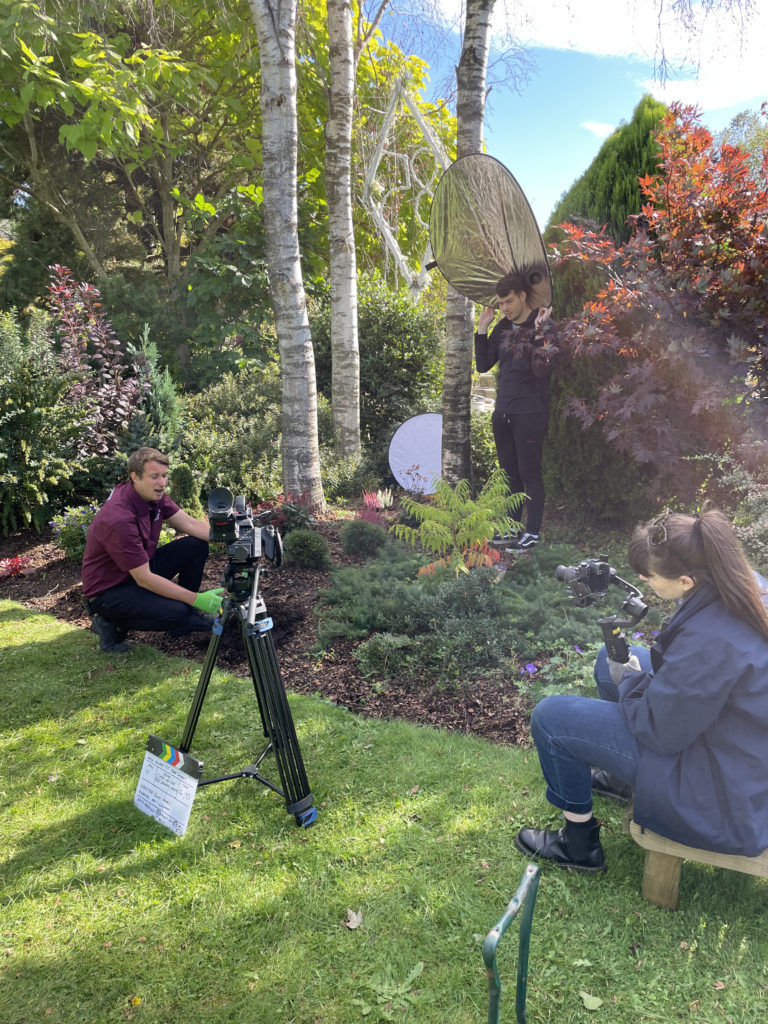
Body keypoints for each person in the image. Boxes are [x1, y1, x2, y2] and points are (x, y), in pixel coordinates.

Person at [515, 509, 768, 874]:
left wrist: (631, 681)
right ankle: (620, 780)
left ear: (685, 580)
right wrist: (629, 674)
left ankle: (579, 845)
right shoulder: (742, 584)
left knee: (551, 718)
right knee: (608, 659)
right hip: (736, 746)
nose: (642, 580)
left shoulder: (710, 641)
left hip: (717, 788)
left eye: (647, 576)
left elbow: (661, 731)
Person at [81, 447, 223, 653]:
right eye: (154, 476)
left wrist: (227, 538)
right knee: (178, 613)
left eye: (164, 476)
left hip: (135, 570)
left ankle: (184, 616)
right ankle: (111, 623)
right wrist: (196, 599)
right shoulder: (119, 519)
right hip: (110, 590)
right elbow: (144, 579)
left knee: (195, 545)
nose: (162, 483)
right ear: (135, 477)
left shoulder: (152, 496)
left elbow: (190, 525)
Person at [475, 265, 562, 551]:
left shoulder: (544, 324)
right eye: (500, 303)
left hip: (530, 412)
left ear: (523, 296)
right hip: (503, 411)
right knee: (509, 473)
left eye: (508, 301)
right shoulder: (501, 327)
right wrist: (482, 329)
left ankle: (533, 532)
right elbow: (483, 365)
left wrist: (538, 333)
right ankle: (512, 527)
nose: (504, 308)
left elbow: (543, 370)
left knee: (529, 473)